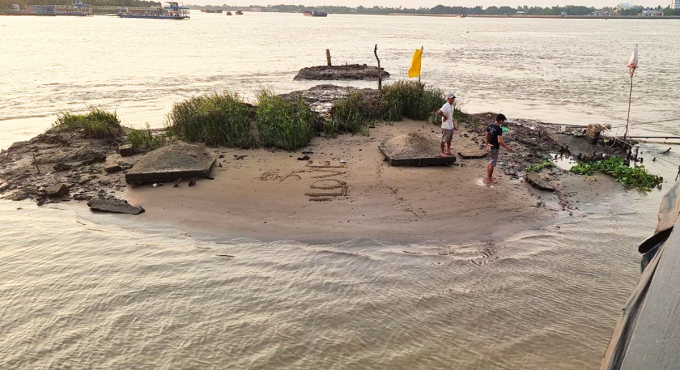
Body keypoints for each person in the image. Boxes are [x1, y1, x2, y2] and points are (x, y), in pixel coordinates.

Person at [486, 114, 513, 184]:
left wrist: (487, 144)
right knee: (492, 163)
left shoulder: (490, 126)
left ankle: (489, 177)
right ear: (501, 120)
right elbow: (500, 141)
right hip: (494, 147)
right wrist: (508, 148)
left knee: (490, 162)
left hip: (489, 145)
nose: (503, 122)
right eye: (503, 121)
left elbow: (487, 136)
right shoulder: (499, 129)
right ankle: (489, 179)